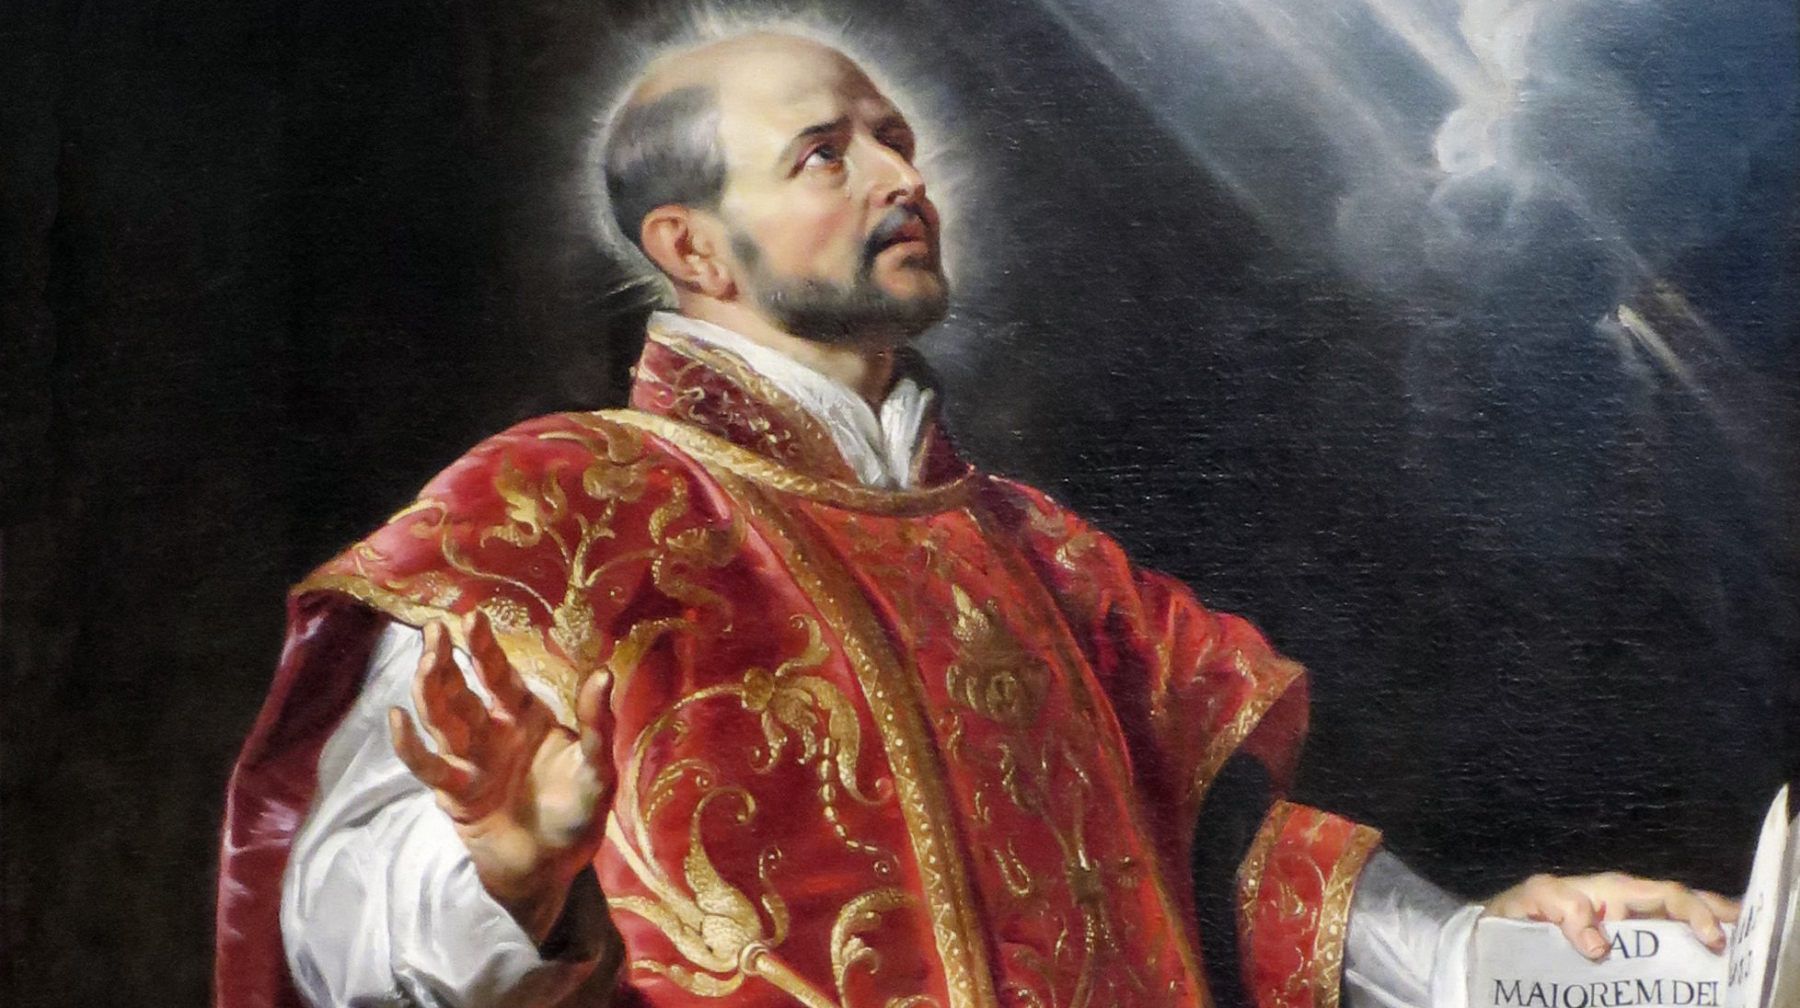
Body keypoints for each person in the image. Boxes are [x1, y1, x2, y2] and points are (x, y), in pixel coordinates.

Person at [214, 29, 1739, 1008]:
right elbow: (323, 936)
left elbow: (1230, 875)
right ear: (694, 248)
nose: (902, 176)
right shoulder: (552, 503)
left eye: (897, 138)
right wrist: (501, 870)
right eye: (829, 153)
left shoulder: (1043, 554)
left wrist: (1497, 955)